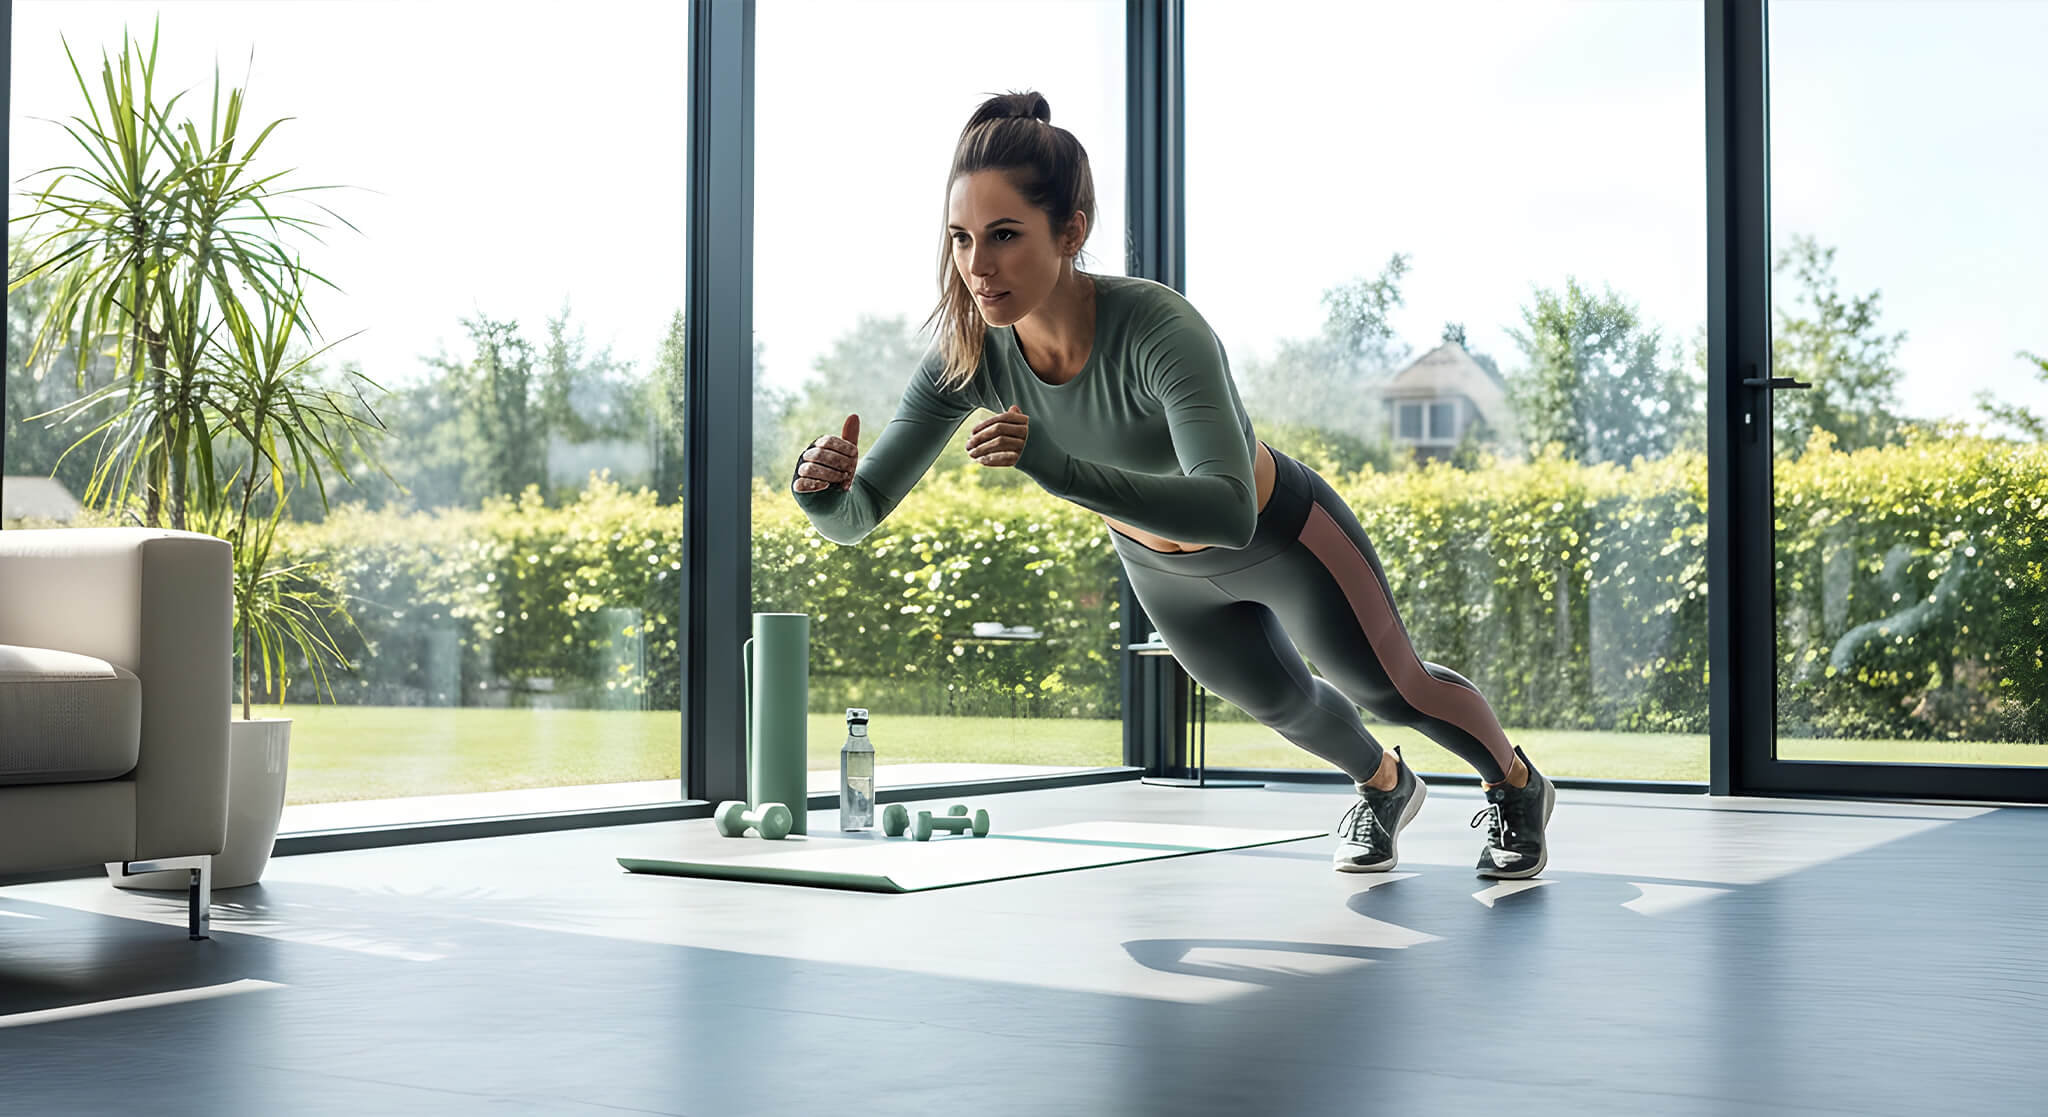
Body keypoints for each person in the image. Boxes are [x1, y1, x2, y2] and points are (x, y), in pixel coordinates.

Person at [790, 91, 1552, 879]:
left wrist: (1053, 466)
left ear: (1071, 230)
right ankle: (1386, 785)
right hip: (1162, 570)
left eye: (1006, 236)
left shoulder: (1158, 327)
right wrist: (821, 493)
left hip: (1283, 536)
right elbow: (857, 517)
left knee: (1394, 689)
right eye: (961, 239)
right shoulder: (968, 357)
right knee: (1283, 704)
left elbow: (1227, 509)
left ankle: (1517, 783)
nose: (978, 267)